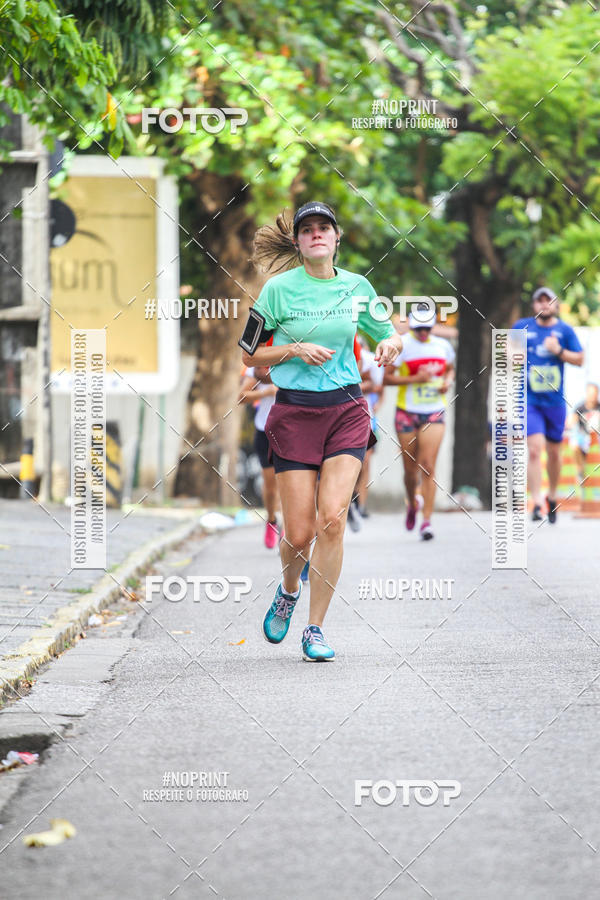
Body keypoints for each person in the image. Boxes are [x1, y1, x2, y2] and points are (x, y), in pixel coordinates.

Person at [239, 201, 403, 661]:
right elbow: (249, 354)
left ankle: (315, 629)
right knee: (299, 533)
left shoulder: (357, 287)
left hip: (347, 409)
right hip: (294, 413)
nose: (315, 234)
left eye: (323, 228)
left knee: (333, 519)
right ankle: (289, 589)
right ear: (297, 241)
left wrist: (389, 343)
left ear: (336, 238)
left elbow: (387, 333)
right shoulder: (277, 290)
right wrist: (292, 349)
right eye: (307, 229)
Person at [383, 307, 455, 540]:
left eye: (427, 328)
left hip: (433, 411)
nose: (423, 333)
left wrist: (447, 382)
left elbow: (450, 370)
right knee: (410, 470)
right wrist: (414, 379)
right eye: (418, 329)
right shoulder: (402, 344)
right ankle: (412, 501)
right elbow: (387, 378)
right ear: (412, 326)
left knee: (427, 466)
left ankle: (426, 521)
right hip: (407, 411)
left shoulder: (442, 346)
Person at [513, 287, 584, 523]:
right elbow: (506, 354)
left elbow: (580, 359)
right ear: (533, 305)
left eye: (549, 301)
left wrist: (559, 351)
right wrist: (515, 356)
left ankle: (552, 496)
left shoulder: (564, 330)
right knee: (534, 450)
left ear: (555, 305)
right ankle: (535, 502)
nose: (544, 305)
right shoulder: (521, 327)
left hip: (555, 401)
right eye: (539, 301)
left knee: (554, 453)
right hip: (529, 400)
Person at [238, 364, 280, 548]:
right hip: (265, 431)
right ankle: (271, 520)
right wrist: (267, 392)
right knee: (271, 487)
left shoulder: (297, 360)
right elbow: (242, 396)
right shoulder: (261, 367)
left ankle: (287, 532)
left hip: (292, 433)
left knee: (290, 485)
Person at [567, 382, 600, 484]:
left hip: (597, 436)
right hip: (584, 436)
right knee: (574, 445)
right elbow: (569, 422)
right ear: (587, 394)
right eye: (591, 393)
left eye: (595, 393)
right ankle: (580, 472)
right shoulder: (580, 408)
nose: (593, 396)